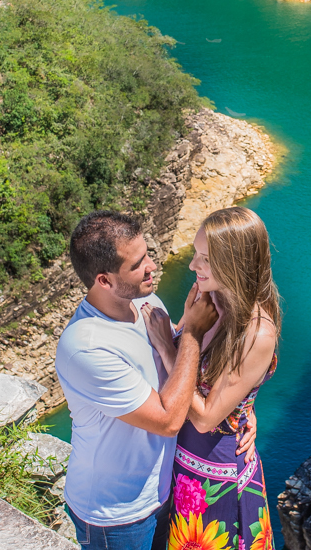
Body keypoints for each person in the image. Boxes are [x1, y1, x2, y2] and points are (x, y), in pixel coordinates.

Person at [56, 210, 223, 550]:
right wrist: (191, 331)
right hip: (115, 513)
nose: (152, 266)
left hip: (160, 491)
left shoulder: (145, 301)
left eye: (147, 254)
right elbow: (168, 420)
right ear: (104, 280)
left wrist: (239, 413)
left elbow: (183, 370)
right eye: (137, 264)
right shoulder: (87, 346)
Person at [141, 207, 280, 550]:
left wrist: (167, 346)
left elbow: (205, 419)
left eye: (205, 259)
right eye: (195, 254)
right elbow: (196, 361)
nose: (193, 266)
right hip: (180, 463)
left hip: (215, 476)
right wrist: (246, 408)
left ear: (236, 264)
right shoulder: (207, 297)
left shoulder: (257, 333)